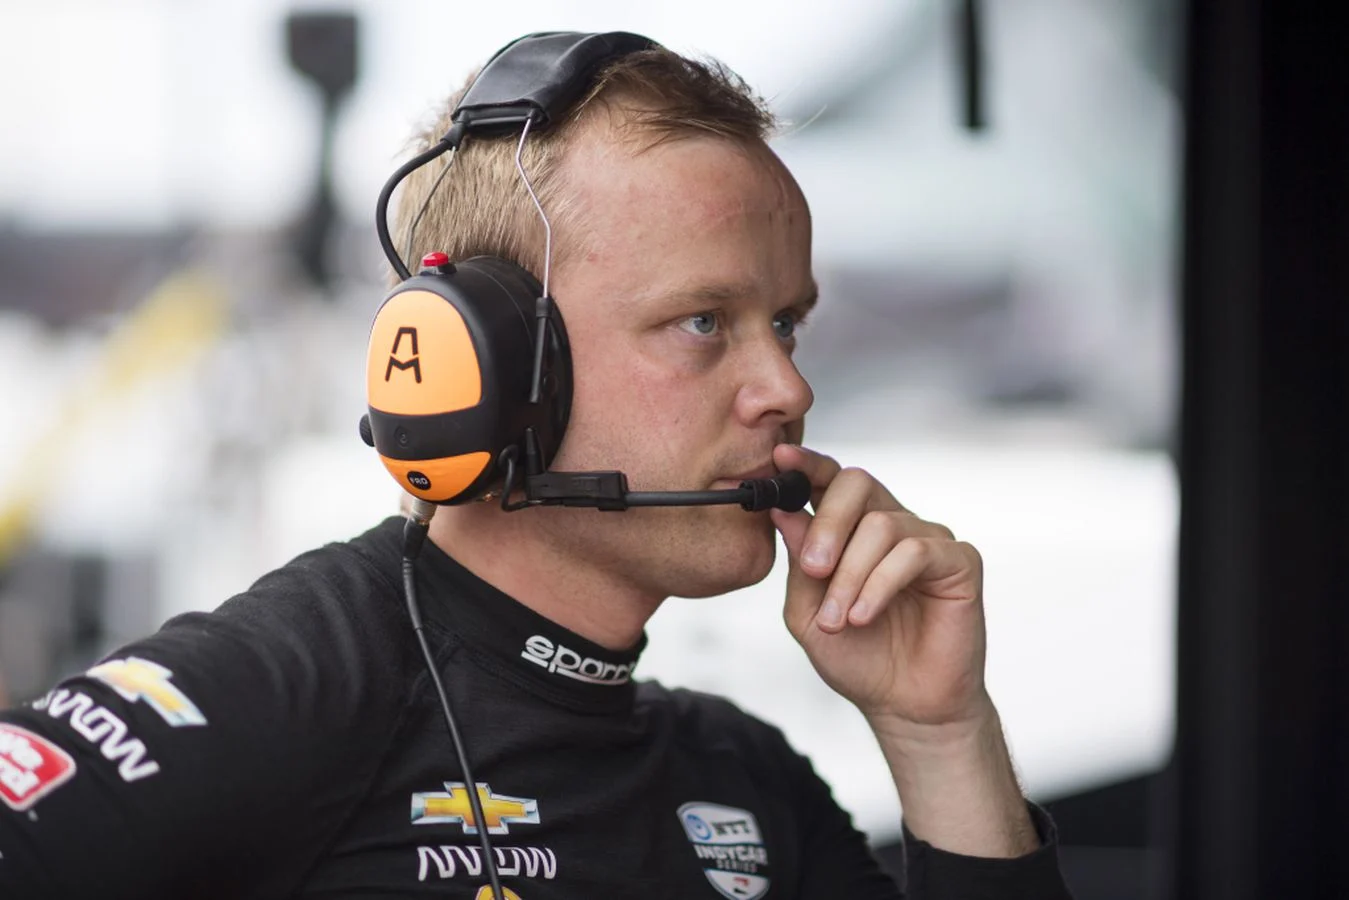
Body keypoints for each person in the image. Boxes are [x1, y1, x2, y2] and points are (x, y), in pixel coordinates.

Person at [0, 37, 1072, 899]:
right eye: (703, 321)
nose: (783, 388)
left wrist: (937, 734)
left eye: (783, 324)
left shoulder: (739, 781)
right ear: (487, 370)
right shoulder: (289, 682)